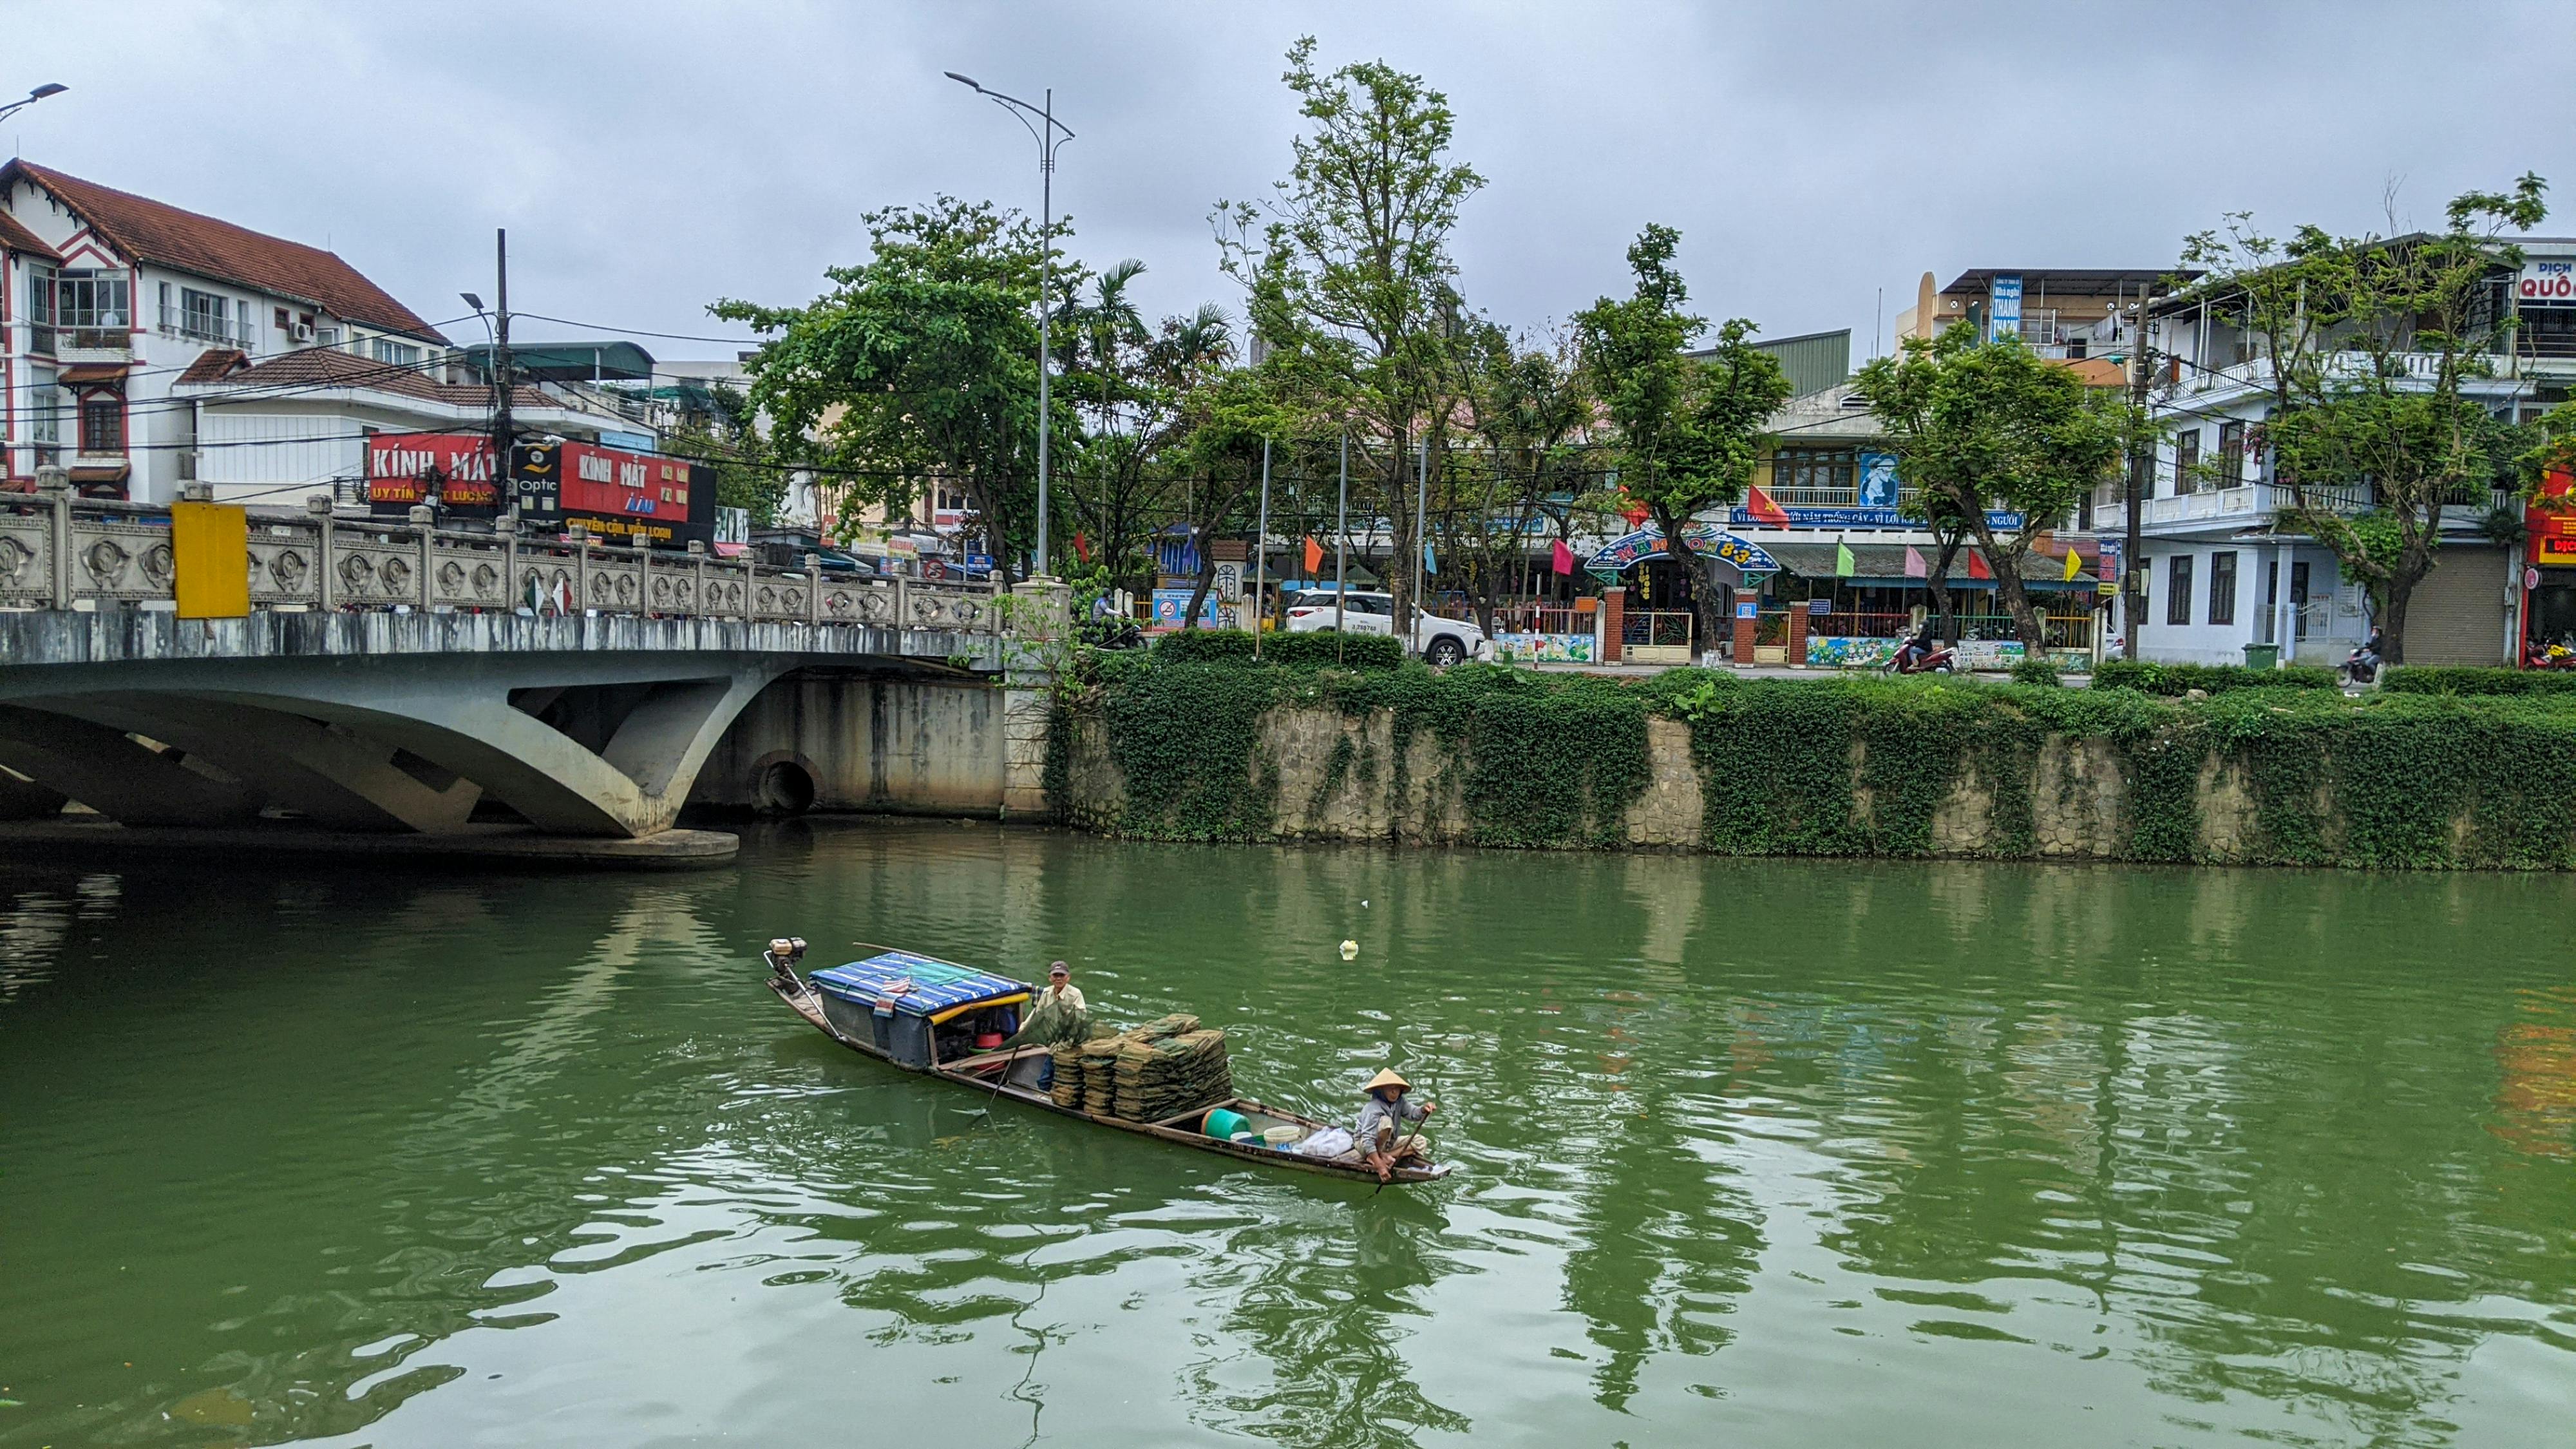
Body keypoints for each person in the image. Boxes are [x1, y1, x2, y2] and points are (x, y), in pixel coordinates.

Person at [1015, 962, 1090, 1088]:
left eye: (1062, 975)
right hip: (1053, 1040)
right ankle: (1044, 1092)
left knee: (1062, 1076)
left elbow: (1080, 1017)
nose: (1059, 978)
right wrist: (1024, 1027)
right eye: (1056, 975)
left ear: (1068, 978)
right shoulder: (1047, 992)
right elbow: (1037, 1013)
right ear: (1050, 978)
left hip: (1070, 1041)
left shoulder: (1075, 994)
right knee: (1045, 1079)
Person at [1356, 1068, 1434, 1182]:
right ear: (1381, 1090)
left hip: (1388, 1143)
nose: (1394, 1092)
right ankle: (1376, 1157)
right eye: (1390, 1089)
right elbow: (1368, 1141)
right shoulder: (1373, 1108)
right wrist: (1380, 1167)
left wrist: (1423, 1109)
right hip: (1365, 1145)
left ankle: (1384, 1156)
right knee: (1386, 1122)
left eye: (1397, 1089)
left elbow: (1413, 1114)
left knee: (1420, 1142)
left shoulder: (1400, 1102)